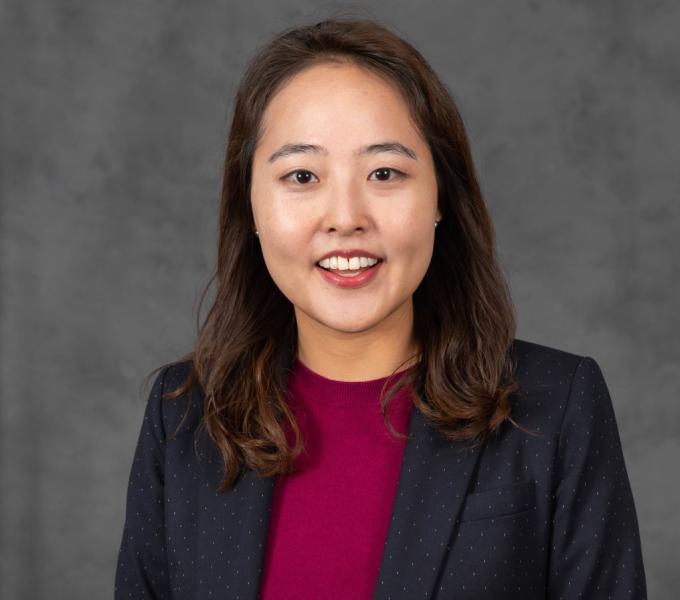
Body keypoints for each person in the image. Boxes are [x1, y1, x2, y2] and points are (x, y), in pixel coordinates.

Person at [114, 16, 647, 600]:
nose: (345, 217)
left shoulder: (557, 408)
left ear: (441, 196)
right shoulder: (184, 420)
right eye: (302, 175)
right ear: (251, 207)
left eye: (385, 172)